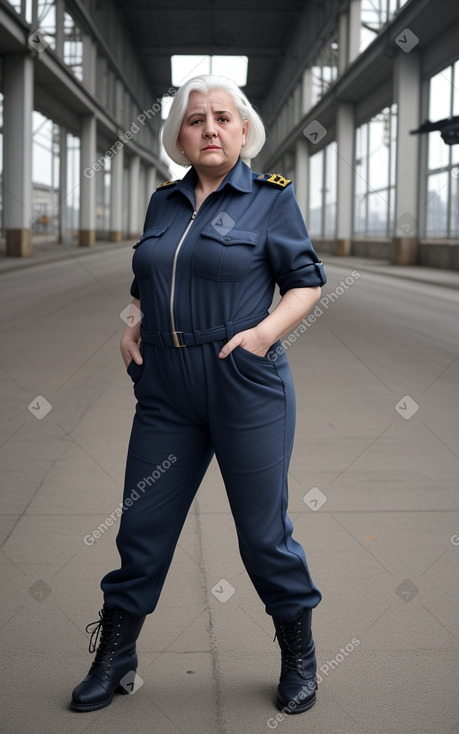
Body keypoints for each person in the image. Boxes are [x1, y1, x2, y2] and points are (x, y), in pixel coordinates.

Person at [71, 74, 327, 715]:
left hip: (242, 382)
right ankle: (117, 655)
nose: (209, 129)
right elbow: (146, 277)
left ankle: (298, 651)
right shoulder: (163, 202)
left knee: (263, 534)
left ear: (243, 131)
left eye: (222, 118)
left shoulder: (271, 201)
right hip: (165, 389)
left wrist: (262, 337)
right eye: (195, 121)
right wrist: (133, 322)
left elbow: (305, 283)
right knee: (142, 526)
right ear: (178, 136)